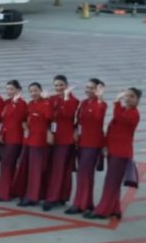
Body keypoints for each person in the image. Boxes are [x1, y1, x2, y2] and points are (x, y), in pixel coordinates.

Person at [86, 88, 141, 219]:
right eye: (127, 96)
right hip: (113, 150)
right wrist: (105, 145)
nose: (128, 98)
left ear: (138, 100)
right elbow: (111, 129)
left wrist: (116, 102)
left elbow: (119, 118)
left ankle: (102, 211)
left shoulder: (134, 114)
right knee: (113, 182)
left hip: (121, 153)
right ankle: (115, 209)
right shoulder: (123, 110)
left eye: (132, 96)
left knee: (111, 182)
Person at [67, 79, 107, 215]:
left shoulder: (101, 104)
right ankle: (85, 202)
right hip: (82, 142)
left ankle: (81, 204)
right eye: (88, 87)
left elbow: (98, 117)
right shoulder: (84, 103)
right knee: (82, 174)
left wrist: (100, 99)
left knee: (85, 173)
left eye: (93, 88)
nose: (89, 90)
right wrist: (75, 130)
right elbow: (78, 120)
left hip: (93, 143)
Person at [44, 75, 80, 211]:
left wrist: (65, 98)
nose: (58, 88)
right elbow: (47, 116)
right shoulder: (52, 99)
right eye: (56, 85)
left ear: (66, 85)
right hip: (52, 138)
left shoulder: (74, 100)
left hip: (65, 140)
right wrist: (48, 132)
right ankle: (55, 196)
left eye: (61, 85)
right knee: (52, 169)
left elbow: (67, 114)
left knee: (60, 170)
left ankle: (55, 198)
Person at [18, 82, 53, 207]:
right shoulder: (30, 104)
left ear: (40, 91)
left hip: (39, 142)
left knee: (36, 170)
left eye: (36, 91)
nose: (33, 93)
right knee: (30, 170)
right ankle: (31, 194)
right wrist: (24, 125)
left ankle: (33, 197)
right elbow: (25, 118)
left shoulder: (45, 103)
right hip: (29, 140)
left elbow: (49, 116)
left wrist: (47, 100)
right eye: (31, 91)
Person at [0, 80, 27, 202]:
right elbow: (4, 120)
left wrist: (15, 103)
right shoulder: (6, 103)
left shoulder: (22, 104)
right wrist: (1, 133)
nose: (9, 91)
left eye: (11, 89)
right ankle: (9, 191)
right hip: (5, 137)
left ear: (18, 90)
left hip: (15, 139)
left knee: (8, 165)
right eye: (7, 89)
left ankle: (5, 193)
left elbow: (18, 118)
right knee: (6, 165)